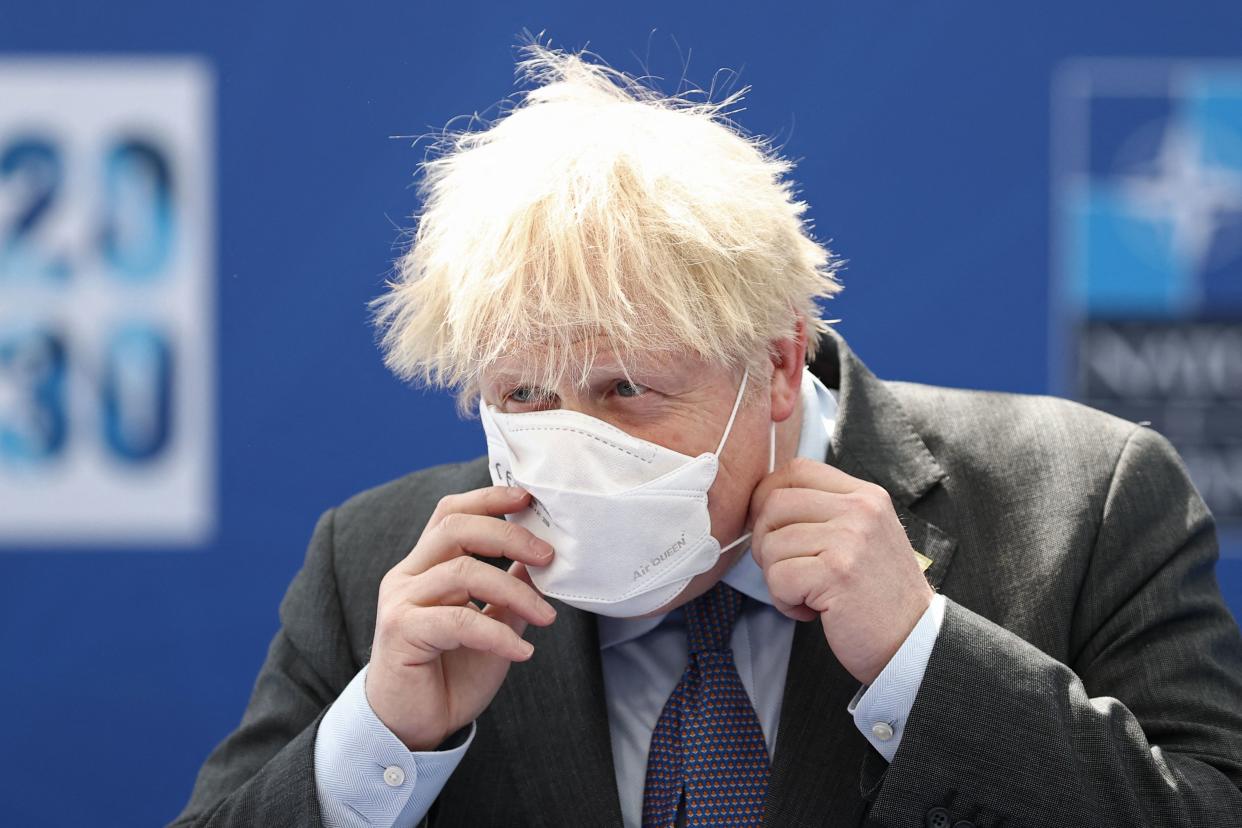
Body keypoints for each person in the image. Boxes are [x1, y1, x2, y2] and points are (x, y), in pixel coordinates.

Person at [169, 37, 1242, 828]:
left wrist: (926, 661)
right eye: (525, 397)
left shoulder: (1082, 501)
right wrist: (385, 741)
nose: (573, 443)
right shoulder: (381, 570)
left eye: (628, 388)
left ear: (777, 363)